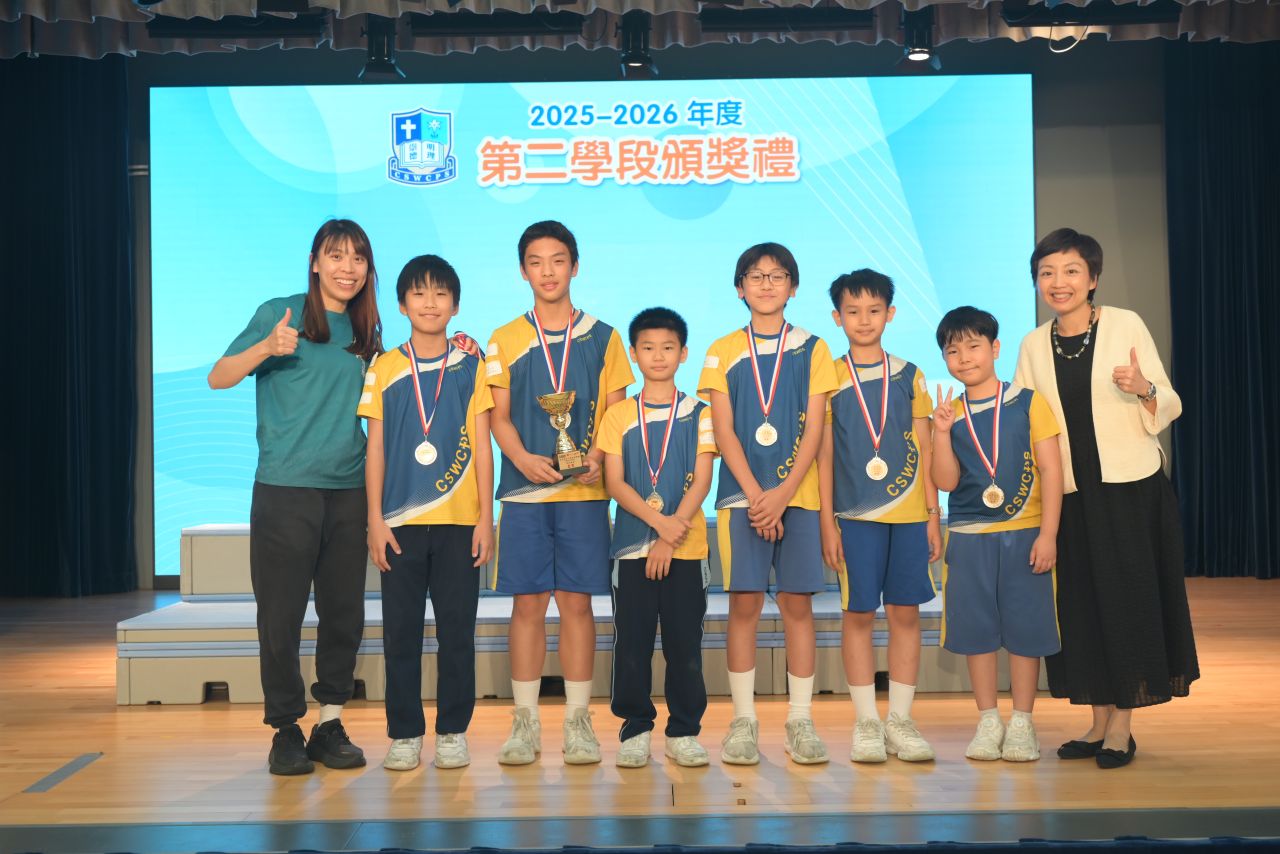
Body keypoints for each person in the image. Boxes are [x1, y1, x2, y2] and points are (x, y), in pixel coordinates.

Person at [1014, 228, 1199, 769]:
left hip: (1130, 490)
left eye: (1071, 270)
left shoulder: (1125, 324)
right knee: (1082, 608)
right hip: (1069, 496)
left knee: (1128, 604)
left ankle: (1122, 726)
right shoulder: (1032, 344)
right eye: (1047, 272)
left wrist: (1143, 388)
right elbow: (1027, 423)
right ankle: (1097, 723)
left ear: (1092, 278)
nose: (1059, 282)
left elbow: (1169, 401)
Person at [207, 219, 382, 775]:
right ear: (315, 262)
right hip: (284, 490)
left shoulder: (366, 331)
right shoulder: (279, 314)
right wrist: (265, 347)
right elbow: (218, 377)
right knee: (280, 617)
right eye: (336, 256)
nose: (347, 268)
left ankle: (330, 722)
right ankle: (285, 728)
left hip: (348, 491)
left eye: (358, 258)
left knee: (343, 615)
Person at [485, 220, 633, 765]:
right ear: (523, 271)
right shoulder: (504, 338)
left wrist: (597, 457)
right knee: (526, 605)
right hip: (524, 495)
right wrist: (521, 458)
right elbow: (498, 416)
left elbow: (617, 413)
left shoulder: (604, 336)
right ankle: (524, 722)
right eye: (536, 262)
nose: (547, 271)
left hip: (584, 496)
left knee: (576, 604)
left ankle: (578, 720)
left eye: (557, 260)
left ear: (575, 266)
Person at [698, 242, 839, 766]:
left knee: (798, 607)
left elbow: (816, 429)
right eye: (755, 276)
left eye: (777, 276)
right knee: (744, 606)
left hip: (798, 498)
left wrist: (782, 494)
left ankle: (800, 721)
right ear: (740, 288)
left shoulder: (814, 348)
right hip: (742, 501)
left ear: (793, 288)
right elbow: (724, 431)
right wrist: (759, 497)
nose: (766, 284)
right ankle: (743, 722)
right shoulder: (721, 350)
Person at [359, 254, 494, 772]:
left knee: (458, 633)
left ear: (455, 305)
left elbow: (482, 447)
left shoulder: (472, 367)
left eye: (441, 293)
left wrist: (485, 519)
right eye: (419, 293)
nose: (430, 303)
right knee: (401, 635)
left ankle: (453, 731)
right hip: (399, 525)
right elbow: (375, 449)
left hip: (461, 524)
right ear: (401, 305)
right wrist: (374, 519)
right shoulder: (385, 368)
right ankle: (404, 733)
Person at [817, 269, 942, 764]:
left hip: (909, 516)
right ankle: (867, 723)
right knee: (859, 615)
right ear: (837, 317)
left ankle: (901, 722)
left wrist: (932, 514)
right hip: (853, 518)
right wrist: (827, 522)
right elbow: (824, 456)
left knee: (906, 614)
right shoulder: (828, 377)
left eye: (874, 310)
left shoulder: (910, 375)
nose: (864, 320)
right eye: (853, 311)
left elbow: (925, 448)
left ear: (890, 314)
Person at [931, 306, 1063, 762]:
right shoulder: (949, 413)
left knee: (1026, 628)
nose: (964, 357)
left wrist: (1048, 535)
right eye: (953, 351)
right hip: (969, 537)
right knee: (976, 630)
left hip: (1025, 534)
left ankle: (1023, 721)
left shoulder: (1028, 402)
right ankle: (988, 720)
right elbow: (945, 481)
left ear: (995, 348)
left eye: (974, 346)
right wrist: (941, 434)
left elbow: (1051, 470)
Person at [599, 307, 716, 769]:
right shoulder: (618, 415)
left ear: (683, 353)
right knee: (632, 645)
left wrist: (670, 536)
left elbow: (702, 481)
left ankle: (684, 731)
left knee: (685, 647)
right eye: (647, 347)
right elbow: (615, 483)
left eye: (668, 347)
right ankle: (635, 728)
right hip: (631, 550)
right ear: (633, 354)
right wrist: (657, 526)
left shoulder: (700, 414)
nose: (658, 355)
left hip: (686, 549)